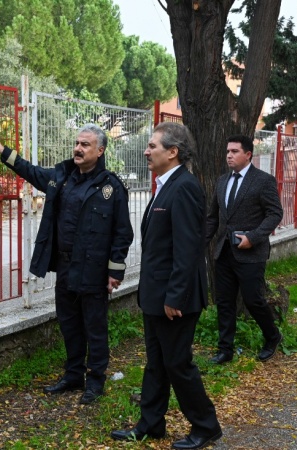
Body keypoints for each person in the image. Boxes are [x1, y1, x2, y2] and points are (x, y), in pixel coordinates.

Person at [0, 124, 133, 405]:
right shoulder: (61, 177)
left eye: (85, 145)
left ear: (100, 150)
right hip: (65, 268)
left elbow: (123, 233)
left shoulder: (111, 187)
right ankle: (73, 375)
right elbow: (31, 171)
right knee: (69, 324)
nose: (78, 148)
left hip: (94, 271)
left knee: (94, 327)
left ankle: (95, 381)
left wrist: (115, 271)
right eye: (77, 143)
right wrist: (3, 150)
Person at [111, 122, 222, 449]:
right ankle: (151, 424)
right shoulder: (166, 185)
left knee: (177, 364)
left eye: (152, 146)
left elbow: (188, 249)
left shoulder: (184, 187)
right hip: (156, 295)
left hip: (175, 299)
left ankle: (206, 426)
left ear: (173, 152)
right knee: (157, 363)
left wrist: (175, 296)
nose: (146, 151)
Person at [205, 135, 284, 363]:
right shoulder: (222, 181)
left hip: (251, 253)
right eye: (227, 151)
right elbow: (213, 218)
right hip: (224, 252)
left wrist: (253, 237)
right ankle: (225, 350)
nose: (229, 155)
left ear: (248, 155)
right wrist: (198, 244)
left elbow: (275, 214)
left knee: (253, 300)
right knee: (224, 302)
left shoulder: (263, 181)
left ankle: (272, 336)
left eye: (234, 151)